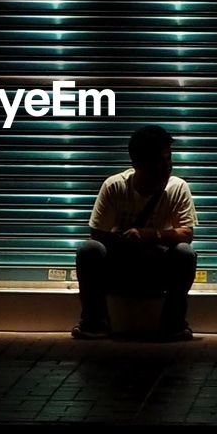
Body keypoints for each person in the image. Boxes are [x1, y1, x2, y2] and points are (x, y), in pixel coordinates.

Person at [71, 125, 198, 341]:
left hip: (157, 268)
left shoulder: (177, 188)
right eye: (160, 160)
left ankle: (173, 324)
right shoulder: (115, 186)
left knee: (185, 253)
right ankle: (94, 322)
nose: (167, 166)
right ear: (138, 163)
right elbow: (96, 233)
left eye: (169, 158)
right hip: (120, 267)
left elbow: (186, 234)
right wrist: (125, 241)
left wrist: (151, 236)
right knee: (88, 250)